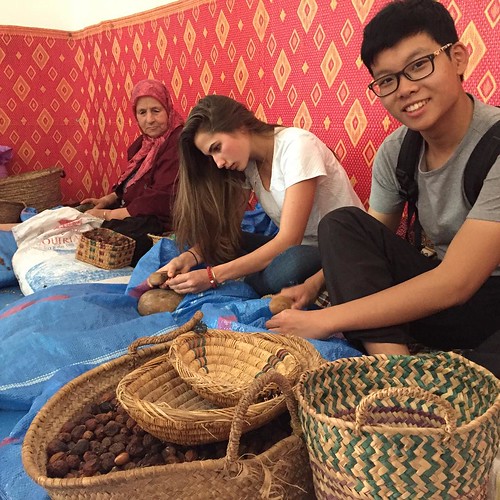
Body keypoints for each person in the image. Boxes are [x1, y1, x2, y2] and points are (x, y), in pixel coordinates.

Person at [266, 0, 500, 370]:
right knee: (341, 223)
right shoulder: (397, 150)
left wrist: (325, 319)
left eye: (419, 65)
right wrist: (314, 286)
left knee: (484, 387)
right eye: (388, 79)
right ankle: (394, 369)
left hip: (485, 303)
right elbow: (368, 237)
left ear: (458, 58)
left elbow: (458, 282)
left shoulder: (494, 144)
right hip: (438, 301)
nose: (405, 89)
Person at [153, 94, 364, 296]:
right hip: (300, 247)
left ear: (239, 125)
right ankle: (253, 277)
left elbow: (289, 240)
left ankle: (251, 280)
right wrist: (191, 256)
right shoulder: (248, 165)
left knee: (291, 263)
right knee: (227, 242)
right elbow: (230, 232)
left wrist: (213, 275)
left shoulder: (297, 145)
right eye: (211, 156)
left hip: (338, 250)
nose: (218, 163)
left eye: (217, 148)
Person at [81, 79, 184, 265]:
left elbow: (160, 198)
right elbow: (134, 182)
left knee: (111, 234)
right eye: (142, 112)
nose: (149, 119)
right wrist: (107, 200)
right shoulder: (144, 145)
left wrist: (108, 214)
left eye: (156, 111)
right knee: (75, 212)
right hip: (134, 212)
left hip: (162, 221)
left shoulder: (177, 143)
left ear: (168, 110)